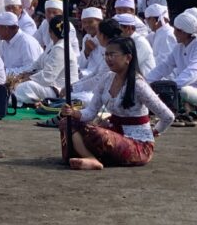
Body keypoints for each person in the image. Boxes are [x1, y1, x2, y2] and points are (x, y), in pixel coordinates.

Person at [60, 37, 175, 170]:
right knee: (67, 122)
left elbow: (168, 116)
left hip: (137, 144)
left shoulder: (138, 85)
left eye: (112, 55)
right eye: (106, 55)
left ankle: (92, 157)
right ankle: (90, 157)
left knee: (94, 132)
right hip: (113, 134)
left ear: (128, 58)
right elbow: (91, 112)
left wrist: (155, 131)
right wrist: (73, 113)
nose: (108, 59)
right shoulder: (107, 78)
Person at [12, 15, 79, 105]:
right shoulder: (53, 44)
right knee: (18, 85)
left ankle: (15, 101)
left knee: (25, 87)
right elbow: (37, 63)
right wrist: (23, 74)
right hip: (49, 85)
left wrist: (28, 78)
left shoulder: (61, 48)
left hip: (60, 90)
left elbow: (48, 76)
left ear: (49, 31)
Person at [146, 10, 197, 108]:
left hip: (191, 90)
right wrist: (146, 82)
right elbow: (165, 66)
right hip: (183, 87)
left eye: (175, 30)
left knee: (183, 91)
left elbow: (193, 72)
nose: (173, 33)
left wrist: (172, 86)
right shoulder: (179, 47)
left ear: (183, 32)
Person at [0, 11, 43, 76]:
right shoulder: (5, 42)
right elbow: (1, 64)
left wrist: (7, 72)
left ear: (6, 29)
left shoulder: (27, 42)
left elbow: (32, 69)